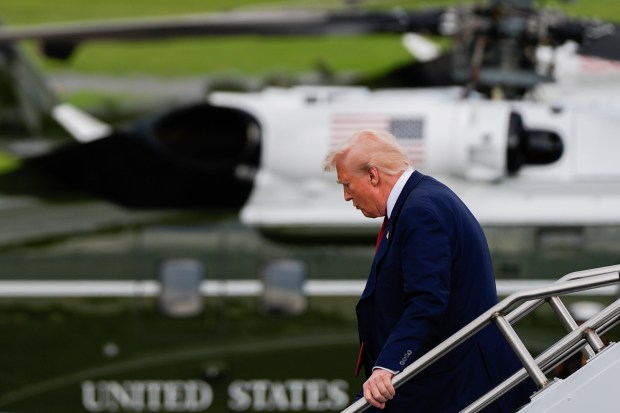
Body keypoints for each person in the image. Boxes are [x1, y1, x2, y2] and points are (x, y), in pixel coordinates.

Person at [323, 129, 535, 412]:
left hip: (453, 383)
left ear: (373, 176)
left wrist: (388, 366)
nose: (346, 196)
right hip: (442, 378)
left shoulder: (419, 210)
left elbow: (428, 299)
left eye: (347, 184)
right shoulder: (423, 199)